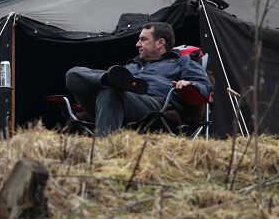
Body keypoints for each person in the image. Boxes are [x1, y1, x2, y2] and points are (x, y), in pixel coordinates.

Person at [65, 22, 212, 136]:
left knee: (110, 92)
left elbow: (205, 87)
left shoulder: (182, 62)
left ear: (160, 43)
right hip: (110, 103)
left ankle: (103, 148)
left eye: (143, 39)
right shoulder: (131, 65)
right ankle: (110, 80)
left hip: (151, 102)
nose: (137, 44)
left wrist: (188, 84)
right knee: (73, 74)